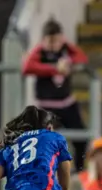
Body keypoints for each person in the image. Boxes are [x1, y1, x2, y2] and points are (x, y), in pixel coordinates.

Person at [22, 18, 88, 171]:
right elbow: (27, 67)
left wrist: (69, 61)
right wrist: (55, 69)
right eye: (50, 41)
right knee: (44, 143)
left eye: (57, 41)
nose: (54, 46)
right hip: (46, 107)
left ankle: (79, 171)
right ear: (43, 40)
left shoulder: (66, 50)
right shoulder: (39, 52)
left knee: (81, 138)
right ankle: (45, 173)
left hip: (67, 104)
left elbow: (82, 58)